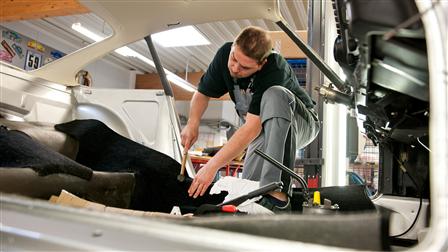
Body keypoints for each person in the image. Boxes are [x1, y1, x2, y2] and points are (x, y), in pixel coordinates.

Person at [181, 26, 320, 212]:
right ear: (233, 48)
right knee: (250, 191)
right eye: (234, 58)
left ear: (261, 64)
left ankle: (278, 196)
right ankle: (261, 207)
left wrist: (211, 166)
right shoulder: (225, 54)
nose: (235, 68)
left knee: (275, 94)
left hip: (302, 123)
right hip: (261, 129)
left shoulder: (274, 68)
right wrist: (193, 123)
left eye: (245, 67)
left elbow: (251, 128)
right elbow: (202, 94)